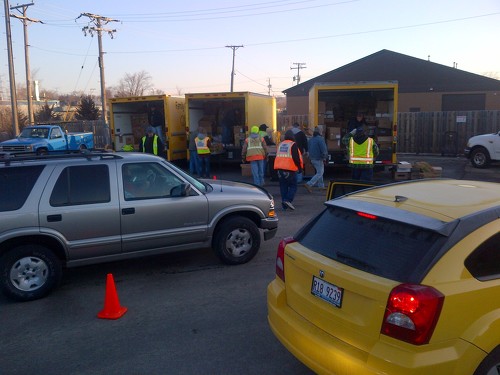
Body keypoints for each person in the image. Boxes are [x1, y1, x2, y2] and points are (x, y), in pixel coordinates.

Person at [274, 129, 303, 211]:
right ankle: (287, 200)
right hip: (289, 169)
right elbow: (296, 158)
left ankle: (284, 206)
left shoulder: (280, 144)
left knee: (283, 187)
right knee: (293, 186)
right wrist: (300, 168)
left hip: (280, 170)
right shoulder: (293, 145)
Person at [304, 127, 328, 192]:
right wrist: (325, 157)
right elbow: (324, 149)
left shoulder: (311, 139)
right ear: (320, 132)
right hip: (318, 158)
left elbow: (308, 149)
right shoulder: (320, 139)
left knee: (319, 172)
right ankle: (309, 184)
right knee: (320, 172)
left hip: (312, 158)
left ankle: (321, 186)